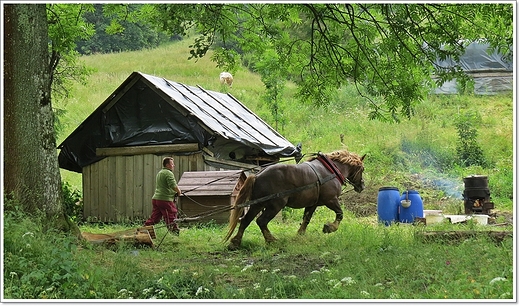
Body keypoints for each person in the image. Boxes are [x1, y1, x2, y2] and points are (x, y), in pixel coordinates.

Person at [144, 157, 182, 235]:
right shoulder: (168, 173)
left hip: (156, 199)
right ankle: (175, 234)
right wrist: (179, 192)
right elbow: (173, 185)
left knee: (155, 218)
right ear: (167, 165)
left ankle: (144, 230)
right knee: (171, 216)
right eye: (172, 164)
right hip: (165, 200)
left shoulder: (160, 173)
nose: (173, 165)